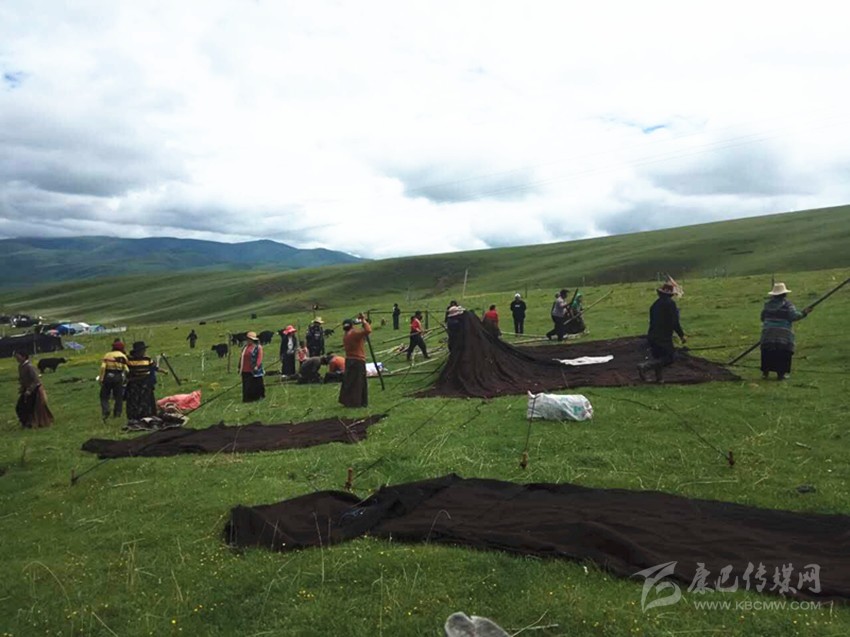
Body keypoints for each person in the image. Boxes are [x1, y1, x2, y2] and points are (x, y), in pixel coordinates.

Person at [760, 282, 811, 380]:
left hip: (768, 332)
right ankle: (781, 374)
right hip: (783, 333)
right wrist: (804, 313)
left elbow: (762, 318)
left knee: (767, 352)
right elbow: (794, 316)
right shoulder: (788, 305)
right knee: (783, 352)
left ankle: (765, 373)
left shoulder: (767, 305)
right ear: (784, 294)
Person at [638, 283, 687, 383]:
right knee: (669, 358)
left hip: (652, 335)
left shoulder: (654, 305)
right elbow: (674, 322)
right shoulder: (670, 304)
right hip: (663, 337)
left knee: (658, 357)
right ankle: (645, 366)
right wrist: (681, 335)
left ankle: (659, 379)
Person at [14, 350, 53, 428]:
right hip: (26, 389)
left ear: (24, 357)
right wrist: (22, 387)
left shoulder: (30, 367)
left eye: (18, 357)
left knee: (31, 407)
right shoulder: (20, 366)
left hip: (35, 389)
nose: (17, 359)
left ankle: (32, 423)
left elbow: (36, 380)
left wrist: (29, 390)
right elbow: (22, 379)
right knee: (20, 407)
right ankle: (25, 422)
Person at [339, 314, 372, 407]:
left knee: (350, 381)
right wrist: (364, 321)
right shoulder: (353, 334)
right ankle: (357, 402)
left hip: (349, 360)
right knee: (358, 382)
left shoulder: (346, 336)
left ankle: (348, 401)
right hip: (358, 360)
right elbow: (368, 330)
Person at [125, 341, 162, 421]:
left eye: (144, 350)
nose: (143, 352)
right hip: (134, 382)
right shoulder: (129, 359)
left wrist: (162, 370)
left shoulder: (147, 359)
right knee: (134, 400)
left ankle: (147, 415)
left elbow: (153, 367)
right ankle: (134, 417)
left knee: (146, 399)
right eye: (141, 351)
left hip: (145, 382)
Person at [99, 340, 129, 420]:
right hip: (118, 376)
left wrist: (101, 378)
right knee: (118, 396)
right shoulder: (123, 356)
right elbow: (126, 369)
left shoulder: (107, 355)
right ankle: (117, 413)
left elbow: (103, 367)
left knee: (104, 395)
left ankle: (106, 409)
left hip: (108, 375)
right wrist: (126, 378)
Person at [240, 331, 265, 402]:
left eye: (250, 339)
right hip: (245, 369)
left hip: (254, 369)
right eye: (247, 339)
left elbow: (259, 357)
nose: (248, 341)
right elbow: (242, 357)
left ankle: (257, 397)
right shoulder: (245, 347)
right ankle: (247, 398)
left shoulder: (258, 347)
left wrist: (257, 365)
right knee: (246, 385)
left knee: (255, 384)